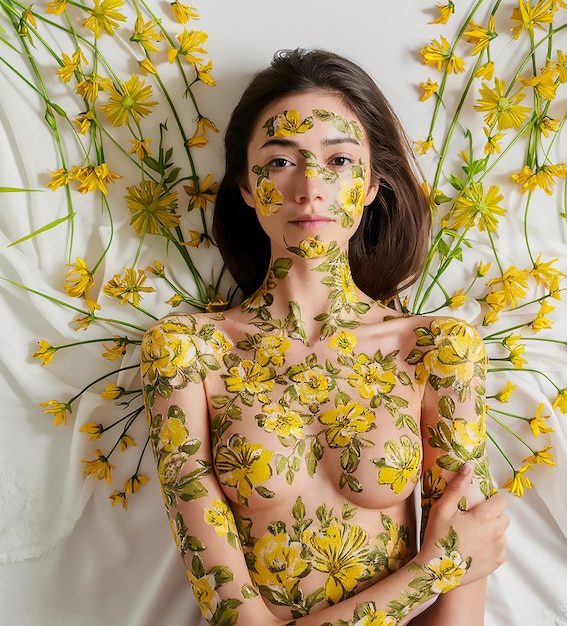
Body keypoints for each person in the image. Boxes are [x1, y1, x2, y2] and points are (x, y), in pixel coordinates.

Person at [140, 48, 508, 626]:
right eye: (281, 160)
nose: (309, 187)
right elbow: (233, 616)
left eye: (338, 161)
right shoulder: (187, 352)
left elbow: (461, 616)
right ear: (244, 184)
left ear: (369, 185)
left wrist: (450, 569)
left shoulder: (438, 351)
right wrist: (434, 570)